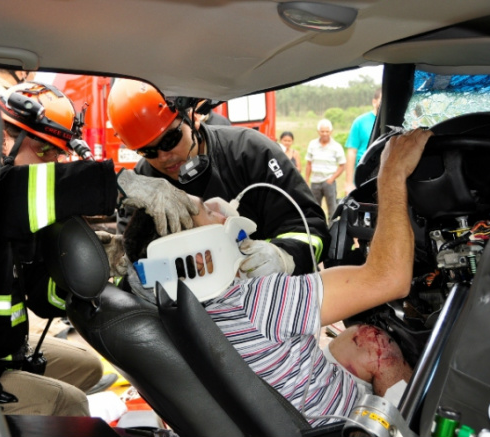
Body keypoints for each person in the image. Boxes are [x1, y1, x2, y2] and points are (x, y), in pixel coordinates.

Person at [120, 128, 432, 426]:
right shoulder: (258, 302)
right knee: (377, 344)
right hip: (330, 423)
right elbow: (391, 278)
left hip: (268, 416)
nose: (222, 213)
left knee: (358, 338)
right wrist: (393, 174)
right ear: (196, 254)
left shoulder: (158, 314)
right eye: (207, 211)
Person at [0, 81, 199, 416]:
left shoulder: (18, 215)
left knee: (88, 367)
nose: (52, 164)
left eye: (59, 154)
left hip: (5, 350)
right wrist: (125, 183)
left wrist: (93, 267)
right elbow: (16, 192)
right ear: (4, 137)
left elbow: (44, 298)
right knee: (68, 404)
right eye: (45, 151)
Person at [107, 78, 329, 277]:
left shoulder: (250, 152)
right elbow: (133, 268)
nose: (164, 157)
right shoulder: (142, 184)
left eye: (170, 140)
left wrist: (284, 257)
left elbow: (312, 230)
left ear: (193, 116)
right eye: (148, 152)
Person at [305, 119, 346, 225]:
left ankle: (331, 230)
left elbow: (342, 165)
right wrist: (306, 179)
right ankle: (317, 227)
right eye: (322, 131)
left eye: (327, 131)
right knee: (314, 208)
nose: (324, 134)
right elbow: (308, 164)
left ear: (331, 132)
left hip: (329, 182)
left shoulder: (336, 146)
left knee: (332, 209)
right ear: (318, 132)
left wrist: (332, 179)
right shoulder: (312, 144)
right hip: (315, 181)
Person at [345, 88, 382, 194]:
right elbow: (352, 152)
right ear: (374, 101)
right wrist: (348, 183)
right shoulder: (360, 122)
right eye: (382, 100)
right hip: (363, 176)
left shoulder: (397, 122)